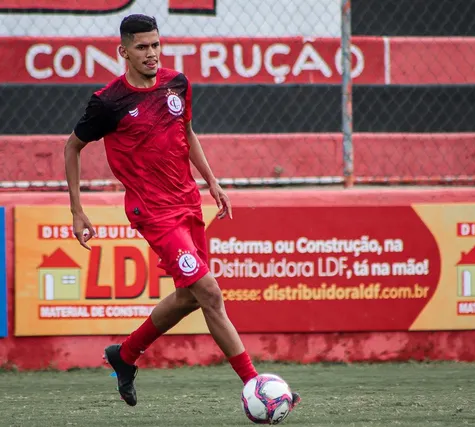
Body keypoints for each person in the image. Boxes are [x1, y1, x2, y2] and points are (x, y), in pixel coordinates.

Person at [64, 14, 301, 409]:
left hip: (188, 201)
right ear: (124, 51)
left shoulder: (177, 84)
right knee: (209, 292)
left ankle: (124, 356)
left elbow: (186, 132)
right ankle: (256, 385)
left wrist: (211, 180)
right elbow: (72, 147)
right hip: (152, 211)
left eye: (156, 45)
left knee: (190, 297)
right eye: (142, 47)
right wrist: (77, 211)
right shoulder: (108, 102)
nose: (151, 54)